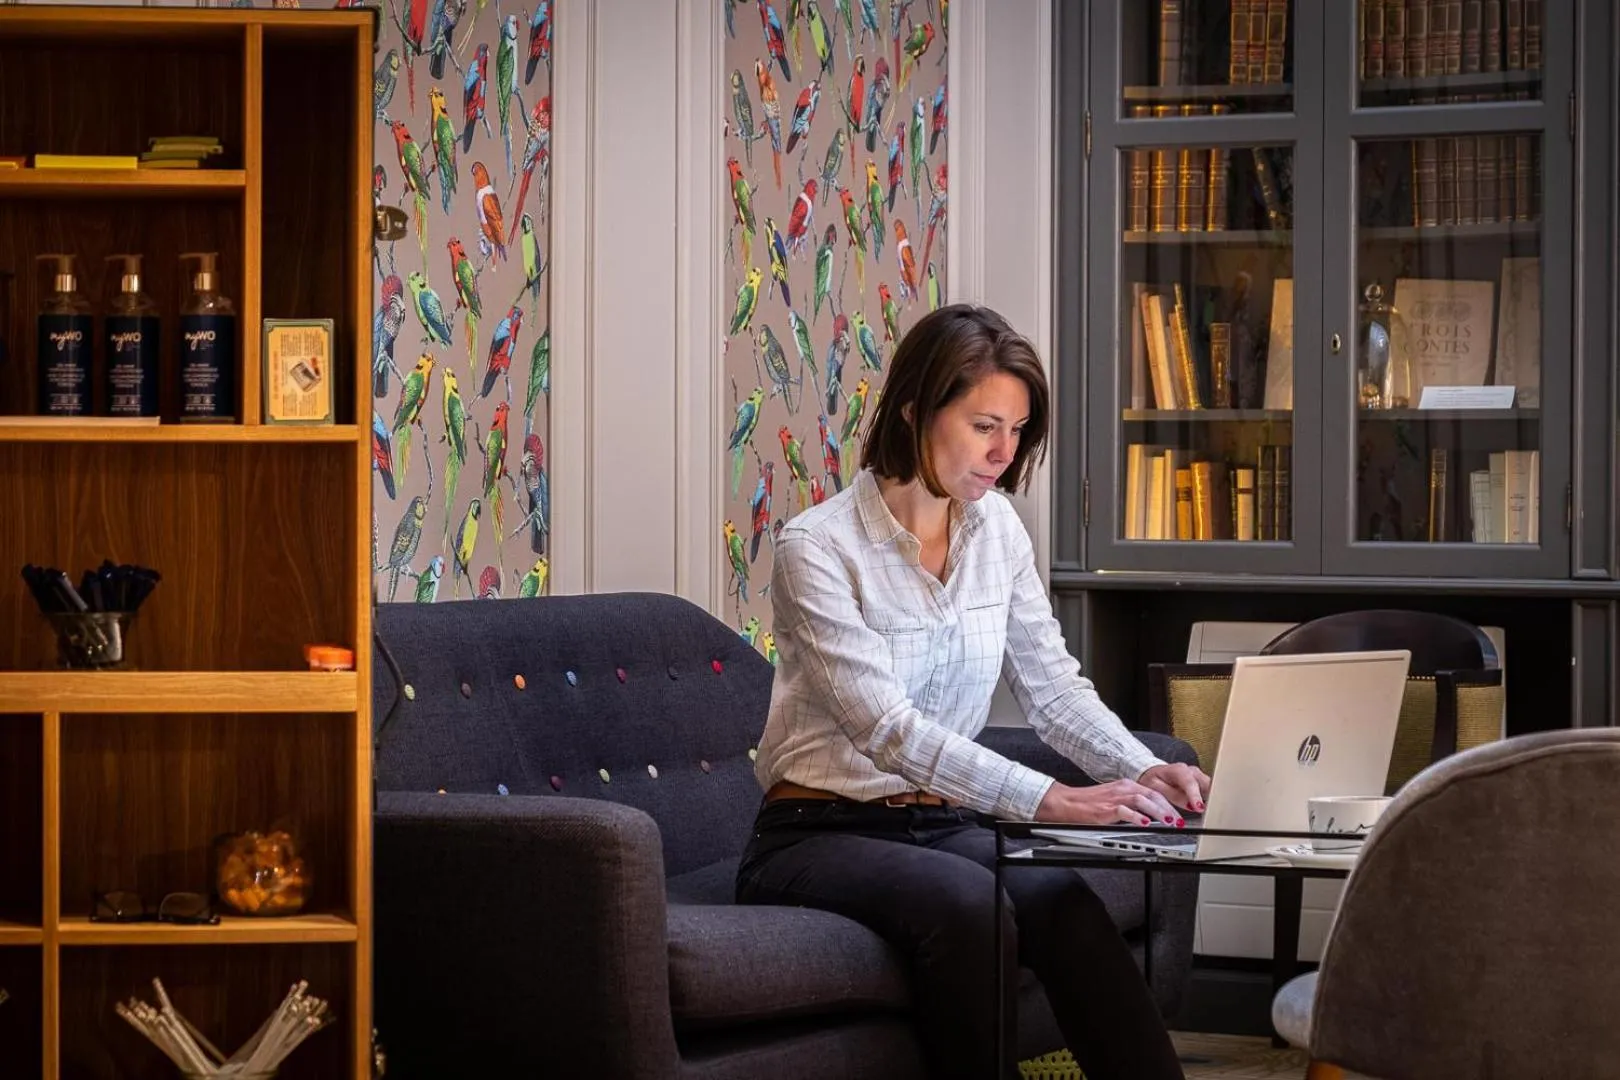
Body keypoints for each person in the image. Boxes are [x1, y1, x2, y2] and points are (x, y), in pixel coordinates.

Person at [736, 304, 1211, 1080]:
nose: (1004, 452)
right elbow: (887, 729)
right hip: (814, 833)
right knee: (968, 907)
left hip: (943, 822)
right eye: (986, 425)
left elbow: (1053, 689)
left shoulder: (999, 531)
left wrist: (1139, 767)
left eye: (1019, 430)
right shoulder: (816, 549)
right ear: (918, 409)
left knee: (1062, 898)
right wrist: (1050, 800)